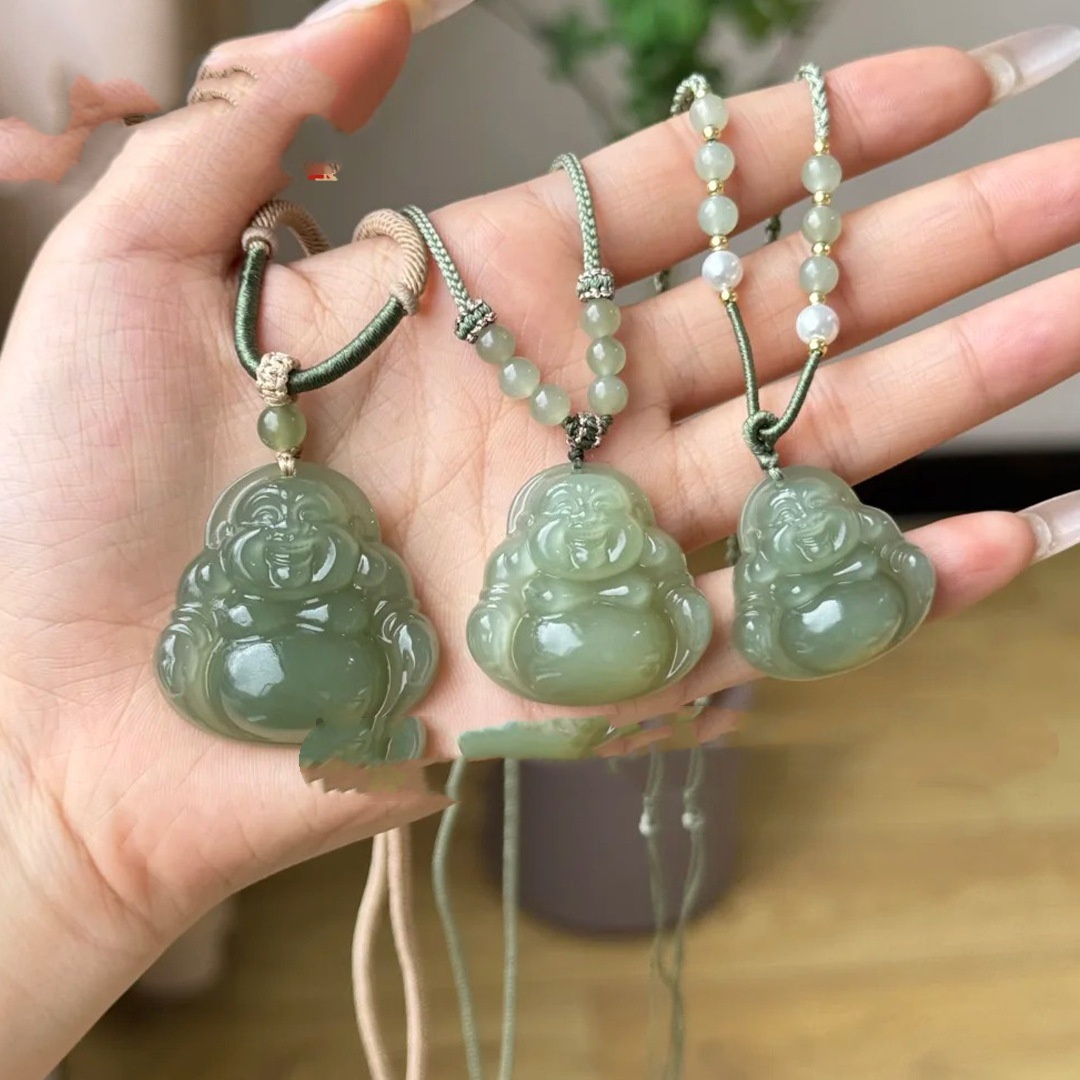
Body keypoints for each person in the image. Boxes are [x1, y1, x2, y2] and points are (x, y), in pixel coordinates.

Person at [2, 3, 1080, 1077]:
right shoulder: (292, 589)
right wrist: (36, 785)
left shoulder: (532, 567)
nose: (285, 557)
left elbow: (539, 613)